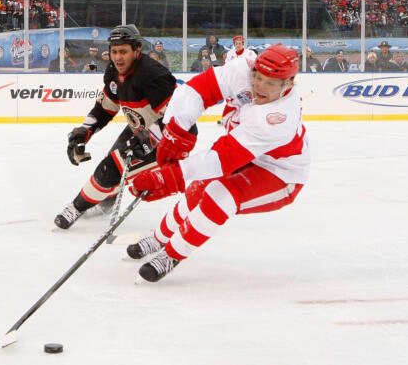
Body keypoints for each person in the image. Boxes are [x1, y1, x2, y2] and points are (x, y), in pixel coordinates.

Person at [125, 44, 309, 282]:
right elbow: (197, 90)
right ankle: (159, 238)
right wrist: (177, 127)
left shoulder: (278, 118)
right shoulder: (244, 68)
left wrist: (170, 175)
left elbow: (223, 158)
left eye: (270, 83)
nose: (259, 86)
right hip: (249, 154)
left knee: (220, 194)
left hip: (279, 173)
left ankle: (172, 255)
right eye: (257, 77)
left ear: (288, 85)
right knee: (198, 187)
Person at [53, 25, 188, 230]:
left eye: (123, 51)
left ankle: (75, 208)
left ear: (137, 50)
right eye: (114, 51)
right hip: (139, 129)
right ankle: (104, 205)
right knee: (112, 163)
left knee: (110, 168)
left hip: (170, 140)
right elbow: (106, 108)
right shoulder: (113, 71)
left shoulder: (153, 75)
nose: (118, 57)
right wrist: (85, 131)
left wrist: (150, 138)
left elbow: (178, 118)